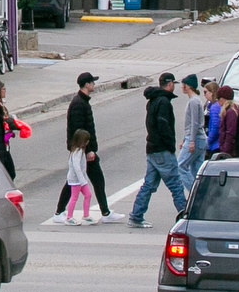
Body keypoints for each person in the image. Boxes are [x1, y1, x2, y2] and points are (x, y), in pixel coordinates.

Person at [127, 73, 193, 229]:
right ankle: (185, 216)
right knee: (175, 185)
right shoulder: (164, 102)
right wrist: (170, 144)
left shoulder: (153, 101)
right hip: (162, 149)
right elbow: (163, 125)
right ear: (169, 84)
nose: (174, 87)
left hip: (152, 148)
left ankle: (136, 215)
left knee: (149, 184)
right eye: (173, 84)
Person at [56, 72, 111, 220]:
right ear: (86, 84)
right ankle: (59, 212)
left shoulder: (82, 101)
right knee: (74, 181)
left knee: (92, 180)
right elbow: (79, 131)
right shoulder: (78, 104)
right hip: (82, 151)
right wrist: (87, 150)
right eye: (92, 82)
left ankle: (105, 212)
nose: (94, 84)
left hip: (84, 149)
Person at [62, 129, 97, 224]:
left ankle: (86, 215)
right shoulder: (77, 152)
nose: (88, 142)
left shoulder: (80, 151)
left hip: (80, 179)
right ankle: (69, 218)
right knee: (74, 197)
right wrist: (82, 180)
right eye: (86, 140)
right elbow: (76, 167)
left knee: (88, 195)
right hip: (76, 180)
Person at [177, 75, 207, 180]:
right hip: (199, 138)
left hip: (196, 138)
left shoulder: (194, 101)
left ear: (188, 86)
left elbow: (194, 123)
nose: (181, 87)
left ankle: (194, 194)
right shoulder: (196, 100)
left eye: (183, 85)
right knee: (196, 171)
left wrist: (191, 141)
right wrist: (185, 139)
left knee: (180, 166)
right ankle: (202, 193)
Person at [214, 85, 239, 159]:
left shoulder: (230, 112)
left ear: (223, 99)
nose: (217, 100)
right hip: (234, 149)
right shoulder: (234, 110)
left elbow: (230, 133)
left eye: (219, 98)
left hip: (231, 151)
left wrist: (225, 151)